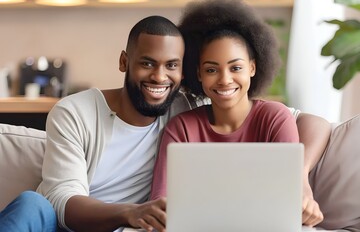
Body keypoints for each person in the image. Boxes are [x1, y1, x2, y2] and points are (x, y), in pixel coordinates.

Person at [0, 14, 325, 232]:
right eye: (146, 63)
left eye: (171, 65)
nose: (159, 76)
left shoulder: (185, 107)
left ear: (184, 73)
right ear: (124, 62)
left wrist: (297, 176)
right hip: (72, 225)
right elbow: (60, 201)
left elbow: (313, 123)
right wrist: (128, 212)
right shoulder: (75, 112)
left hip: (134, 228)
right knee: (31, 203)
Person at [150, 0, 327, 230]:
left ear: (252, 68)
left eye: (236, 68)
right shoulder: (181, 128)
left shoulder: (274, 118)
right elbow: (159, 203)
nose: (225, 80)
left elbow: (287, 194)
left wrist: (301, 183)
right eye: (212, 69)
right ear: (198, 73)